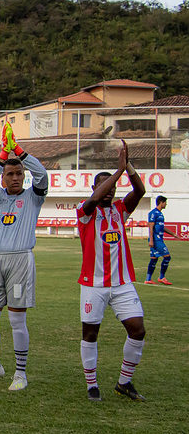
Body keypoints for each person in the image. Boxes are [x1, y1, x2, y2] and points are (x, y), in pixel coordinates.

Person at [0, 132, 48, 391]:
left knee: (17, 320)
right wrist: (2, 156)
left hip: (20, 263)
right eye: (10, 174)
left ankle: (21, 373)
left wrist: (22, 152)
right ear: (3, 178)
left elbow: (43, 176)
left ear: (24, 176)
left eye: (19, 174)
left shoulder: (33, 197)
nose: (15, 178)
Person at [77, 143, 147, 401]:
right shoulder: (85, 212)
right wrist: (116, 174)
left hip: (122, 284)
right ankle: (91, 384)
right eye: (104, 187)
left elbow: (140, 190)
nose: (110, 192)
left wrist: (126, 166)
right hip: (93, 285)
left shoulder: (120, 210)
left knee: (137, 330)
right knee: (90, 333)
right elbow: (95, 199)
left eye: (113, 188)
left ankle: (124, 382)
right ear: (95, 188)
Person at [145, 195, 179, 285]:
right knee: (167, 257)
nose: (166, 204)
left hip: (159, 239)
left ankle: (148, 279)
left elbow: (162, 227)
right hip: (156, 240)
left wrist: (173, 234)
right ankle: (161, 277)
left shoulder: (160, 214)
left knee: (154, 259)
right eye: (165, 203)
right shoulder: (153, 213)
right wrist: (151, 240)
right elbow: (151, 227)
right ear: (161, 202)